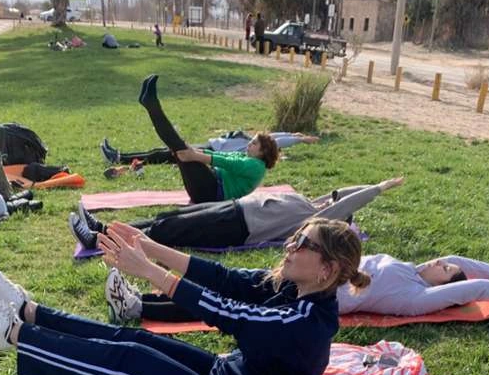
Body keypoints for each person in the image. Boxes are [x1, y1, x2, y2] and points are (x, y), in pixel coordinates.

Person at [0, 220, 367, 375]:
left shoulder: (307, 325)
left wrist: (150, 272)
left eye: (303, 244)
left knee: (129, 365)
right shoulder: (292, 285)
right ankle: (28, 311)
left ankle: (12, 334)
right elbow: (224, 279)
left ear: (326, 269)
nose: (291, 246)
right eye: (297, 237)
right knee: (139, 341)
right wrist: (151, 246)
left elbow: (228, 313)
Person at [69, 178, 404, 256]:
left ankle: (98, 240)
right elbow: (341, 194)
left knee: (167, 232)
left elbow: (345, 203)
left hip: (237, 227)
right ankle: (101, 227)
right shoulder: (311, 202)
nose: (333, 199)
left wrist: (378, 188)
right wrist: (354, 190)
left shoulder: (316, 221)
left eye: (337, 204)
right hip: (235, 208)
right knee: (165, 218)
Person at [137, 74, 279, 203]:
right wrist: (197, 152)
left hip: (209, 193)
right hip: (207, 186)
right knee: (178, 147)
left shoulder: (256, 167)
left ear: (263, 151)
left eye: (254, 143)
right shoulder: (246, 157)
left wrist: (195, 155)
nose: (249, 143)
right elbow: (220, 155)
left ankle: (151, 105)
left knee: (178, 146)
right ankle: (151, 105)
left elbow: (226, 162)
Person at [335, 254, 489, 315]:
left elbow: (474, 287)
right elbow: (455, 259)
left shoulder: (414, 296)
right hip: (330, 261)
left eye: (445, 269)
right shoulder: (411, 271)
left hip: (323, 284)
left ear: (441, 287)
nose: (440, 261)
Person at [100, 130, 319, 167]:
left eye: (256, 143)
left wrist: (300, 140)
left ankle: (118, 158)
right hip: (210, 147)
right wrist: (297, 135)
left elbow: (278, 141)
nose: (252, 141)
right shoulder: (256, 144)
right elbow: (276, 136)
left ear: (262, 151)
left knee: (163, 154)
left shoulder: (249, 152)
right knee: (161, 151)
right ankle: (120, 156)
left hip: (208, 152)